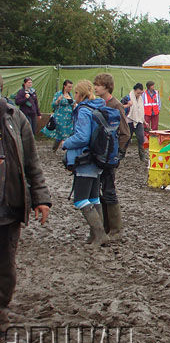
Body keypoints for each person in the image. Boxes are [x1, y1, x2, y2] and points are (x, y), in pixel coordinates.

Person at [0, 92, 51, 331]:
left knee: (5, 265)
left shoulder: (15, 117)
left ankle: (1, 310)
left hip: (8, 207)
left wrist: (40, 197)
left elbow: (32, 162)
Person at [62, 80, 108, 247]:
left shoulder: (83, 110)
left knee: (80, 199)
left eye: (75, 93)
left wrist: (66, 143)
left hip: (85, 159)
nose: (74, 96)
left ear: (80, 94)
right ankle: (95, 235)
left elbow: (82, 137)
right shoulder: (98, 106)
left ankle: (100, 234)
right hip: (98, 159)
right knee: (94, 197)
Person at [93, 73, 130, 242]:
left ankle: (116, 229)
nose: (95, 87)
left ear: (107, 86)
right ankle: (105, 226)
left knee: (109, 190)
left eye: (98, 84)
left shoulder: (116, 105)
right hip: (98, 155)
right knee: (99, 191)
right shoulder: (98, 104)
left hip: (110, 156)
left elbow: (125, 133)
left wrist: (118, 154)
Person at [43, 79, 75, 151]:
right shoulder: (58, 94)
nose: (70, 88)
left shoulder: (70, 95)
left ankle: (59, 149)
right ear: (64, 86)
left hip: (69, 118)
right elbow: (53, 105)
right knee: (61, 133)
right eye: (69, 87)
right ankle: (61, 149)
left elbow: (72, 104)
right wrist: (58, 100)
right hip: (60, 117)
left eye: (71, 87)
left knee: (67, 133)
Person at [121, 83, 146, 161]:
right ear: (134, 91)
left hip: (139, 121)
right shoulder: (127, 98)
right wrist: (127, 105)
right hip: (129, 121)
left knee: (141, 138)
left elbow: (141, 111)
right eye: (138, 93)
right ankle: (121, 154)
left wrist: (144, 121)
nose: (139, 95)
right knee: (127, 138)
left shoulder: (141, 99)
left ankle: (142, 156)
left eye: (141, 93)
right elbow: (120, 107)